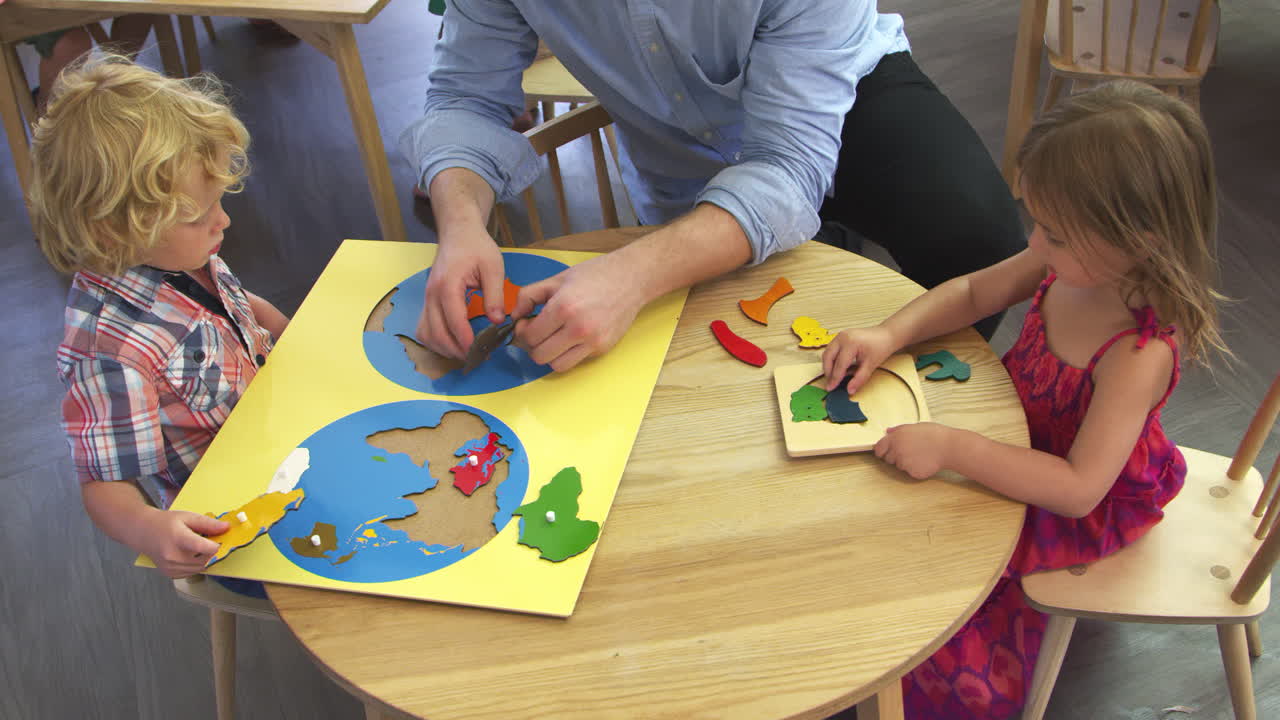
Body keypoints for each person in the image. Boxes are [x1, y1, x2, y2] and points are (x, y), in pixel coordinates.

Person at [821, 80, 1225, 718]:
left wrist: (955, 447)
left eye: (1056, 234)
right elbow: (974, 293)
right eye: (1037, 221)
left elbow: (1077, 488)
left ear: (1140, 240)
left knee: (938, 611)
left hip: (1071, 495)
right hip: (1012, 434)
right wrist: (888, 332)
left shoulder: (1137, 351)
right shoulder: (1070, 261)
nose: (1035, 243)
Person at [400, 0, 1025, 372]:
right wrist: (460, 226)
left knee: (980, 239)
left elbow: (789, 163)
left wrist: (631, 272)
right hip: (681, 154)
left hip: (848, 94)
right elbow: (464, 99)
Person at [30, 54, 289, 596]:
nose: (224, 221)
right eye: (200, 215)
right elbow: (105, 485)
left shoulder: (178, 252)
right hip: (239, 521)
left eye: (217, 203)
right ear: (112, 230)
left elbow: (238, 306)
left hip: (282, 431)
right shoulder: (108, 352)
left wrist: (290, 332)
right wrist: (151, 530)